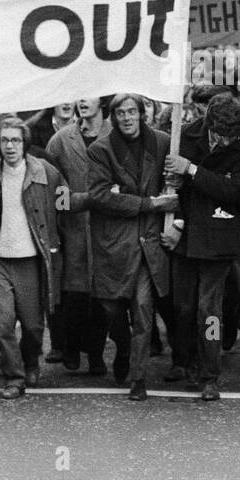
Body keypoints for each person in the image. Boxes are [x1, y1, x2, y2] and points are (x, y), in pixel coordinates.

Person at [163, 95, 240, 401]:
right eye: (221, 135)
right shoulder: (185, 135)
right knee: (182, 307)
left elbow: (236, 193)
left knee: (210, 311)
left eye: (233, 136)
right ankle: (184, 360)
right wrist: (175, 217)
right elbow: (169, 187)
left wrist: (191, 171)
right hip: (185, 233)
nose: (227, 142)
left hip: (219, 239)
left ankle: (210, 373)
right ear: (209, 125)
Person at [0, 117, 64, 400]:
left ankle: (31, 360)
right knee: (4, 323)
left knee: (33, 326)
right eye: (5, 140)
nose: (10, 146)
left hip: (31, 259)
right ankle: (14, 377)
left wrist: (57, 238)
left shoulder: (44, 171)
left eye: (16, 140)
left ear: (25, 143)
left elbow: (64, 201)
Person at [86, 94, 175, 401]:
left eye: (132, 112)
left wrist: (175, 221)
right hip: (115, 243)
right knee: (112, 309)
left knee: (142, 310)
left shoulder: (163, 143)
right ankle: (122, 346)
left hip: (149, 243)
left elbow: (174, 189)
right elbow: (99, 195)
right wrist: (148, 203)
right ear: (113, 117)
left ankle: (138, 378)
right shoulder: (101, 149)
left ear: (141, 114)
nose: (126, 118)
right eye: (120, 113)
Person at [45, 98, 112, 376]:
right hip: (71, 229)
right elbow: (52, 188)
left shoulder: (115, 134)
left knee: (103, 296)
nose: (82, 100)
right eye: (79, 95)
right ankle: (70, 345)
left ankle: (95, 353)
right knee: (73, 294)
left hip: (109, 228)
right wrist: (81, 200)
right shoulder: (61, 140)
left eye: (90, 94)